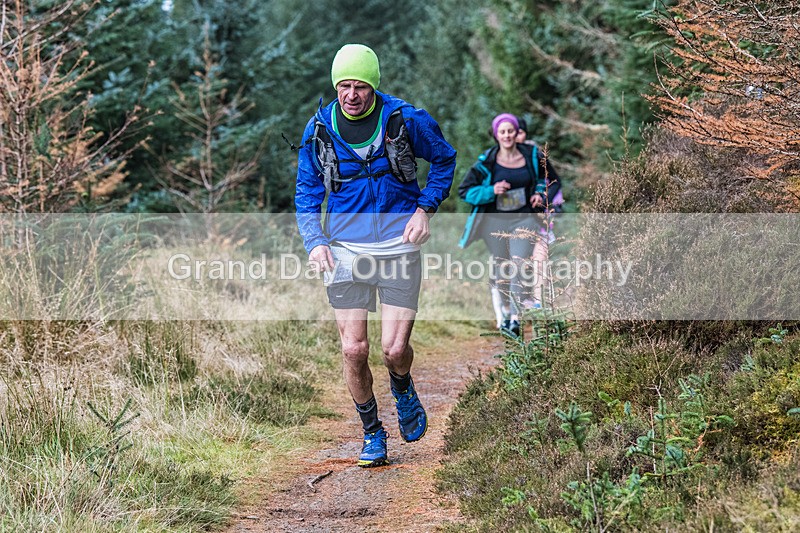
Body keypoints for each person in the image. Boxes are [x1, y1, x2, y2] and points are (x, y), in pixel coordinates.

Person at [295, 44, 457, 467]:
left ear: (374, 86)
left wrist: (425, 209)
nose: (351, 94)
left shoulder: (405, 120)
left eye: (360, 86)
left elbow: (444, 159)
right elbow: (307, 193)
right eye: (344, 85)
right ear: (336, 87)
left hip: (399, 245)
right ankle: (371, 433)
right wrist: (315, 242)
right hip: (345, 250)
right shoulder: (318, 130)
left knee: (394, 349)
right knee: (353, 350)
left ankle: (402, 386)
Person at [458, 113, 561, 337]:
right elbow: (464, 191)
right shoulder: (486, 161)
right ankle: (503, 312)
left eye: (510, 131)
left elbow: (552, 180)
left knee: (517, 264)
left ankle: (514, 320)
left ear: (516, 133)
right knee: (502, 266)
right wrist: (491, 190)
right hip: (494, 221)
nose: (506, 135)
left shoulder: (532, 155)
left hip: (524, 218)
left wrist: (540, 195)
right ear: (496, 135)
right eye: (502, 131)